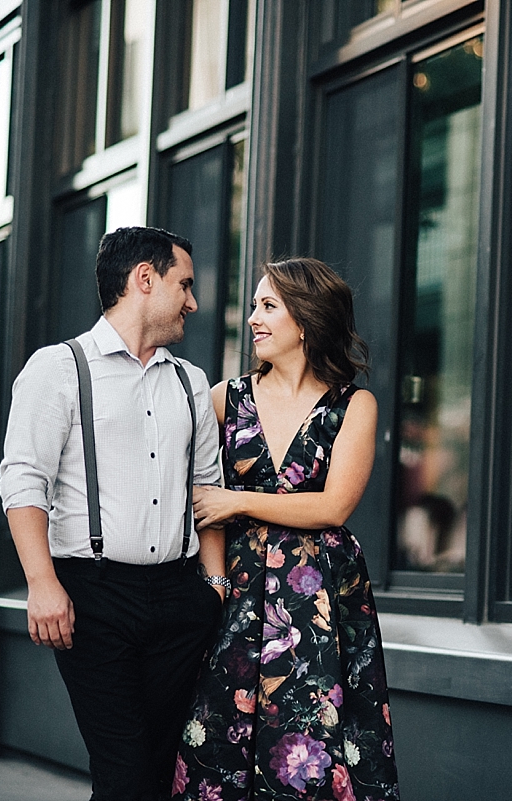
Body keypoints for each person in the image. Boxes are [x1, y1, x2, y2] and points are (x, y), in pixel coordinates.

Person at [0, 226, 224, 801]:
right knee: (124, 768)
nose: (193, 302)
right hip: (93, 597)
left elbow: (208, 489)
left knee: (156, 771)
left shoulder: (191, 382)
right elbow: (24, 480)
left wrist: (214, 589)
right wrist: (42, 584)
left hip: (180, 597)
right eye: (185, 284)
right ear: (144, 279)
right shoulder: (58, 368)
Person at [172, 258, 399, 801]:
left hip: (318, 597)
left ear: (306, 320)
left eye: (268, 306)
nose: (254, 318)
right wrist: (214, 583)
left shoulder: (353, 405)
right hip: (238, 590)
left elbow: (333, 507)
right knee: (221, 734)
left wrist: (237, 501)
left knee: (314, 738)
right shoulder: (226, 398)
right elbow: (200, 498)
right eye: (254, 305)